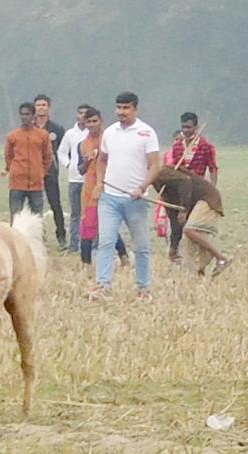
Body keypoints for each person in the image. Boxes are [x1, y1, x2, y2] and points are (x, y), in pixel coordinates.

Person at [88, 92, 160, 302]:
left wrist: (142, 186)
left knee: (141, 246)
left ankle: (143, 288)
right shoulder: (110, 132)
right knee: (106, 242)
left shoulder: (146, 133)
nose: (121, 112)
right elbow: (102, 160)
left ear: (135, 109)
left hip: (135, 200)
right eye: (118, 108)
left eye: (126, 108)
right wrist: (100, 182)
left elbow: (155, 165)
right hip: (110, 197)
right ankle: (103, 285)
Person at [154, 167, 230, 277]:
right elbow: (176, 223)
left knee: (190, 230)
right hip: (195, 206)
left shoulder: (161, 172)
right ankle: (199, 277)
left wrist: (184, 208)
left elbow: (185, 181)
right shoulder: (163, 191)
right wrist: (173, 247)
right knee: (190, 245)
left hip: (207, 199)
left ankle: (221, 258)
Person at [77, 107, 129, 267]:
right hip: (90, 191)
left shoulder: (110, 139)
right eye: (88, 122)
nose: (92, 125)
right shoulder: (83, 144)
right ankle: (86, 264)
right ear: (84, 124)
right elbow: (80, 170)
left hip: (110, 188)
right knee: (88, 227)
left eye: (95, 121)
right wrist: (87, 160)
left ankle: (124, 257)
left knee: (108, 226)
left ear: (101, 121)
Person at [166, 112, 218, 263]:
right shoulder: (177, 147)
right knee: (177, 223)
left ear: (196, 127)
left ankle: (199, 256)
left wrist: (212, 188)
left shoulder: (205, 146)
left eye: (188, 127)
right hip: (180, 191)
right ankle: (174, 252)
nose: (186, 130)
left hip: (198, 190)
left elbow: (213, 168)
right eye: (183, 127)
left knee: (193, 226)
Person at [3, 103, 52, 218]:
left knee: (37, 217)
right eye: (22, 114)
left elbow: (48, 156)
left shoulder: (42, 135)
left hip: (36, 184)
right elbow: (8, 156)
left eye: (27, 114)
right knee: (16, 216)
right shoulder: (13, 136)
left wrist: (41, 172)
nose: (24, 117)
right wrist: (14, 170)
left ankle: (37, 236)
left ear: (34, 115)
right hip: (17, 183)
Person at [56, 104, 91, 254]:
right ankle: (74, 244)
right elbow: (61, 152)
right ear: (76, 115)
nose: (82, 116)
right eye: (80, 112)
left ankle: (90, 242)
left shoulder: (93, 133)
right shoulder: (70, 134)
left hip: (90, 179)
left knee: (90, 212)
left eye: (85, 113)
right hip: (74, 179)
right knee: (75, 213)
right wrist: (69, 164)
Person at [34, 94, 67, 247]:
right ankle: (38, 235)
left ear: (49, 108)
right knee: (35, 205)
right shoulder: (30, 127)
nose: (41, 107)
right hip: (33, 172)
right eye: (38, 105)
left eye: (44, 105)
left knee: (55, 204)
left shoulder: (57, 129)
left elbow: (63, 150)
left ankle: (61, 236)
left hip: (51, 172)